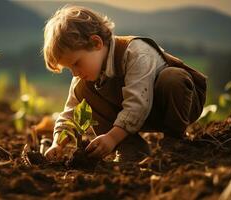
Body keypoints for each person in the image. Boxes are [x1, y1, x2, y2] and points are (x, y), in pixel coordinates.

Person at [42, 5, 207, 162]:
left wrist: (112, 137)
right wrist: (58, 143)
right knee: (83, 89)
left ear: (96, 43)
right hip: (136, 117)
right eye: (69, 68)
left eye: (77, 63)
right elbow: (70, 112)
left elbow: (138, 103)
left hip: (178, 104)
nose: (75, 72)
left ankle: (174, 142)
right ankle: (130, 147)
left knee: (172, 78)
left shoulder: (135, 53)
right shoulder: (84, 78)